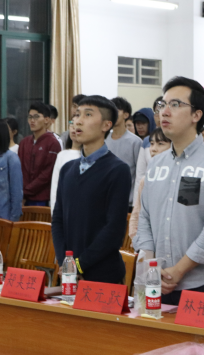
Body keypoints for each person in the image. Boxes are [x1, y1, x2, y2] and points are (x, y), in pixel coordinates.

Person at [135, 77, 204, 305]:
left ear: (196, 115)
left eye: (175, 104)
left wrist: (179, 270)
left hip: (203, 283)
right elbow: (145, 218)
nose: (164, 112)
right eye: (162, 105)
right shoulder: (156, 164)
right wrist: (152, 268)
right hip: (158, 281)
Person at [52, 95, 132, 284]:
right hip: (69, 274)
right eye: (77, 114)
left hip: (103, 276)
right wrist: (66, 263)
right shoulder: (68, 169)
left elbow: (114, 230)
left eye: (88, 115)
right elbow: (57, 220)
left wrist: (79, 265)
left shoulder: (118, 170)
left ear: (106, 125)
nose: (78, 121)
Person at [129, 128, 171, 241]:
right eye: (152, 144)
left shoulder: (177, 178)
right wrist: (136, 238)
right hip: (146, 241)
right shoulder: (146, 180)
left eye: (160, 144)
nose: (153, 149)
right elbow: (136, 213)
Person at [18, 102, 61, 207]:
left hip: (41, 198)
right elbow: (20, 168)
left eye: (36, 117)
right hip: (22, 196)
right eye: (30, 117)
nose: (32, 120)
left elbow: (47, 173)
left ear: (46, 119)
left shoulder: (53, 143)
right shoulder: (24, 142)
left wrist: (27, 190)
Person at [107, 97, 143, 206]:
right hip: (105, 200)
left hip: (127, 202)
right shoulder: (103, 139)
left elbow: (140, 173)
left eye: (116, 110)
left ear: (126, 115)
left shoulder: (135, 142)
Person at [133, 98, 163, 205]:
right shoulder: (146, 141)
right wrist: (136, 204)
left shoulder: (177, 140)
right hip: (148, 197)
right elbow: (140, 175)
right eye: (157, 111)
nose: (161, 115)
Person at [50, 116, 82, 213]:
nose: (74, 128)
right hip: (63, 210)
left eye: (77, 124)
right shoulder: (62, 155)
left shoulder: (89, 156)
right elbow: (55, 186)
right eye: (71, 124)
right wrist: (54, 212)